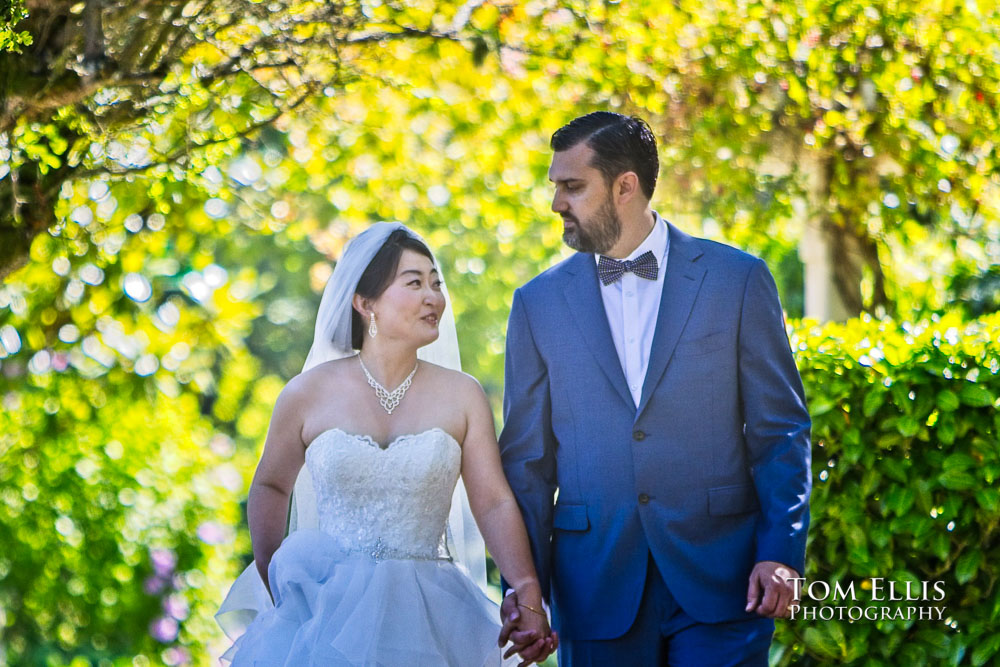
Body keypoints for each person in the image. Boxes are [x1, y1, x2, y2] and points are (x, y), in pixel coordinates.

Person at [497, 112, 812, 665]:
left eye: (572, 187)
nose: (556, 204)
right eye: (556, 187)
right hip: (594, 588)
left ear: (625, 186)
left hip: (725, 580)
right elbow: (527, 462)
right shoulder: (536, 303)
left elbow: (781, 430)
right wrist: (524, 590)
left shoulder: (737, 280)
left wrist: (781, 552)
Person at [216, 222, 557, 665]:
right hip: (326, 612)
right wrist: (278, 578)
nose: (433, 296)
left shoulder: (463, 394)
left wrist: (527, 587)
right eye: (414, 283)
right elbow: (271, 486)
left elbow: (492, 501)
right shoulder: (305, 393)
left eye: (436, 282)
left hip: (433, 612)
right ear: (365, 302)